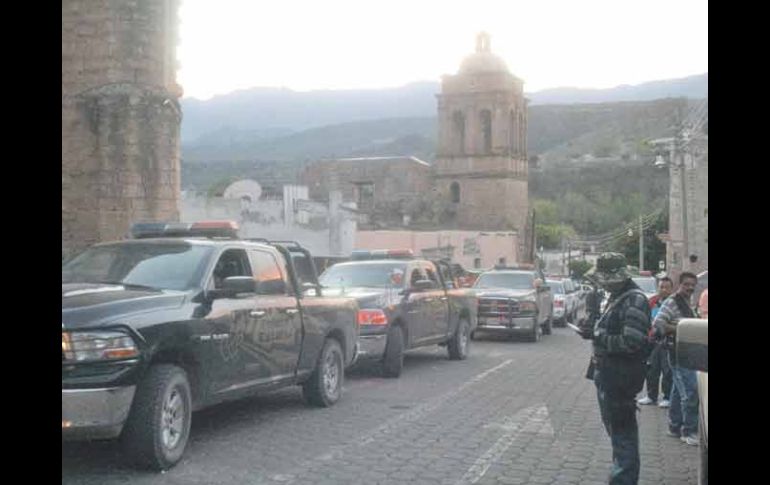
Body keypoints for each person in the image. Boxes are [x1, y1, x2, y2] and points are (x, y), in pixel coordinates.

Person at [578, 253, 651, 485]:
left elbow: (632, 342)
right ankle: (621, 475)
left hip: (621, 378)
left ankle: (623, 479)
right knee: (618, 434)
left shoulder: (634, 300)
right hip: (609, 375)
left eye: (605, 279)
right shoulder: (617, 297)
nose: (602, 284)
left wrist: (598, 336)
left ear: (616, 277)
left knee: (623, 436)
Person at [653, 271, 700, 446]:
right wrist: (681, 327)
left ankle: (674, 427)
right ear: (680, 285)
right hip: (677, 353)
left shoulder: (689, 302)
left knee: (676, 390)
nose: (690, 287)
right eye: (686, 284)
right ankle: (688, 431)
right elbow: (658, 324)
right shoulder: (672, 302)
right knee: (690, 392)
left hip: (688, 352)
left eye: (692, 284)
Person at [637, 277, 674, 408]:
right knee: (651, 369)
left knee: (667, 370)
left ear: (671, 289)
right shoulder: (653, 302)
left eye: (666, 287)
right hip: (653, 341)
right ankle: (651, 396)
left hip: (667, 341)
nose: (663, 289)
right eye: (661, 287)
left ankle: (667, 396)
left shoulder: (674, 303)